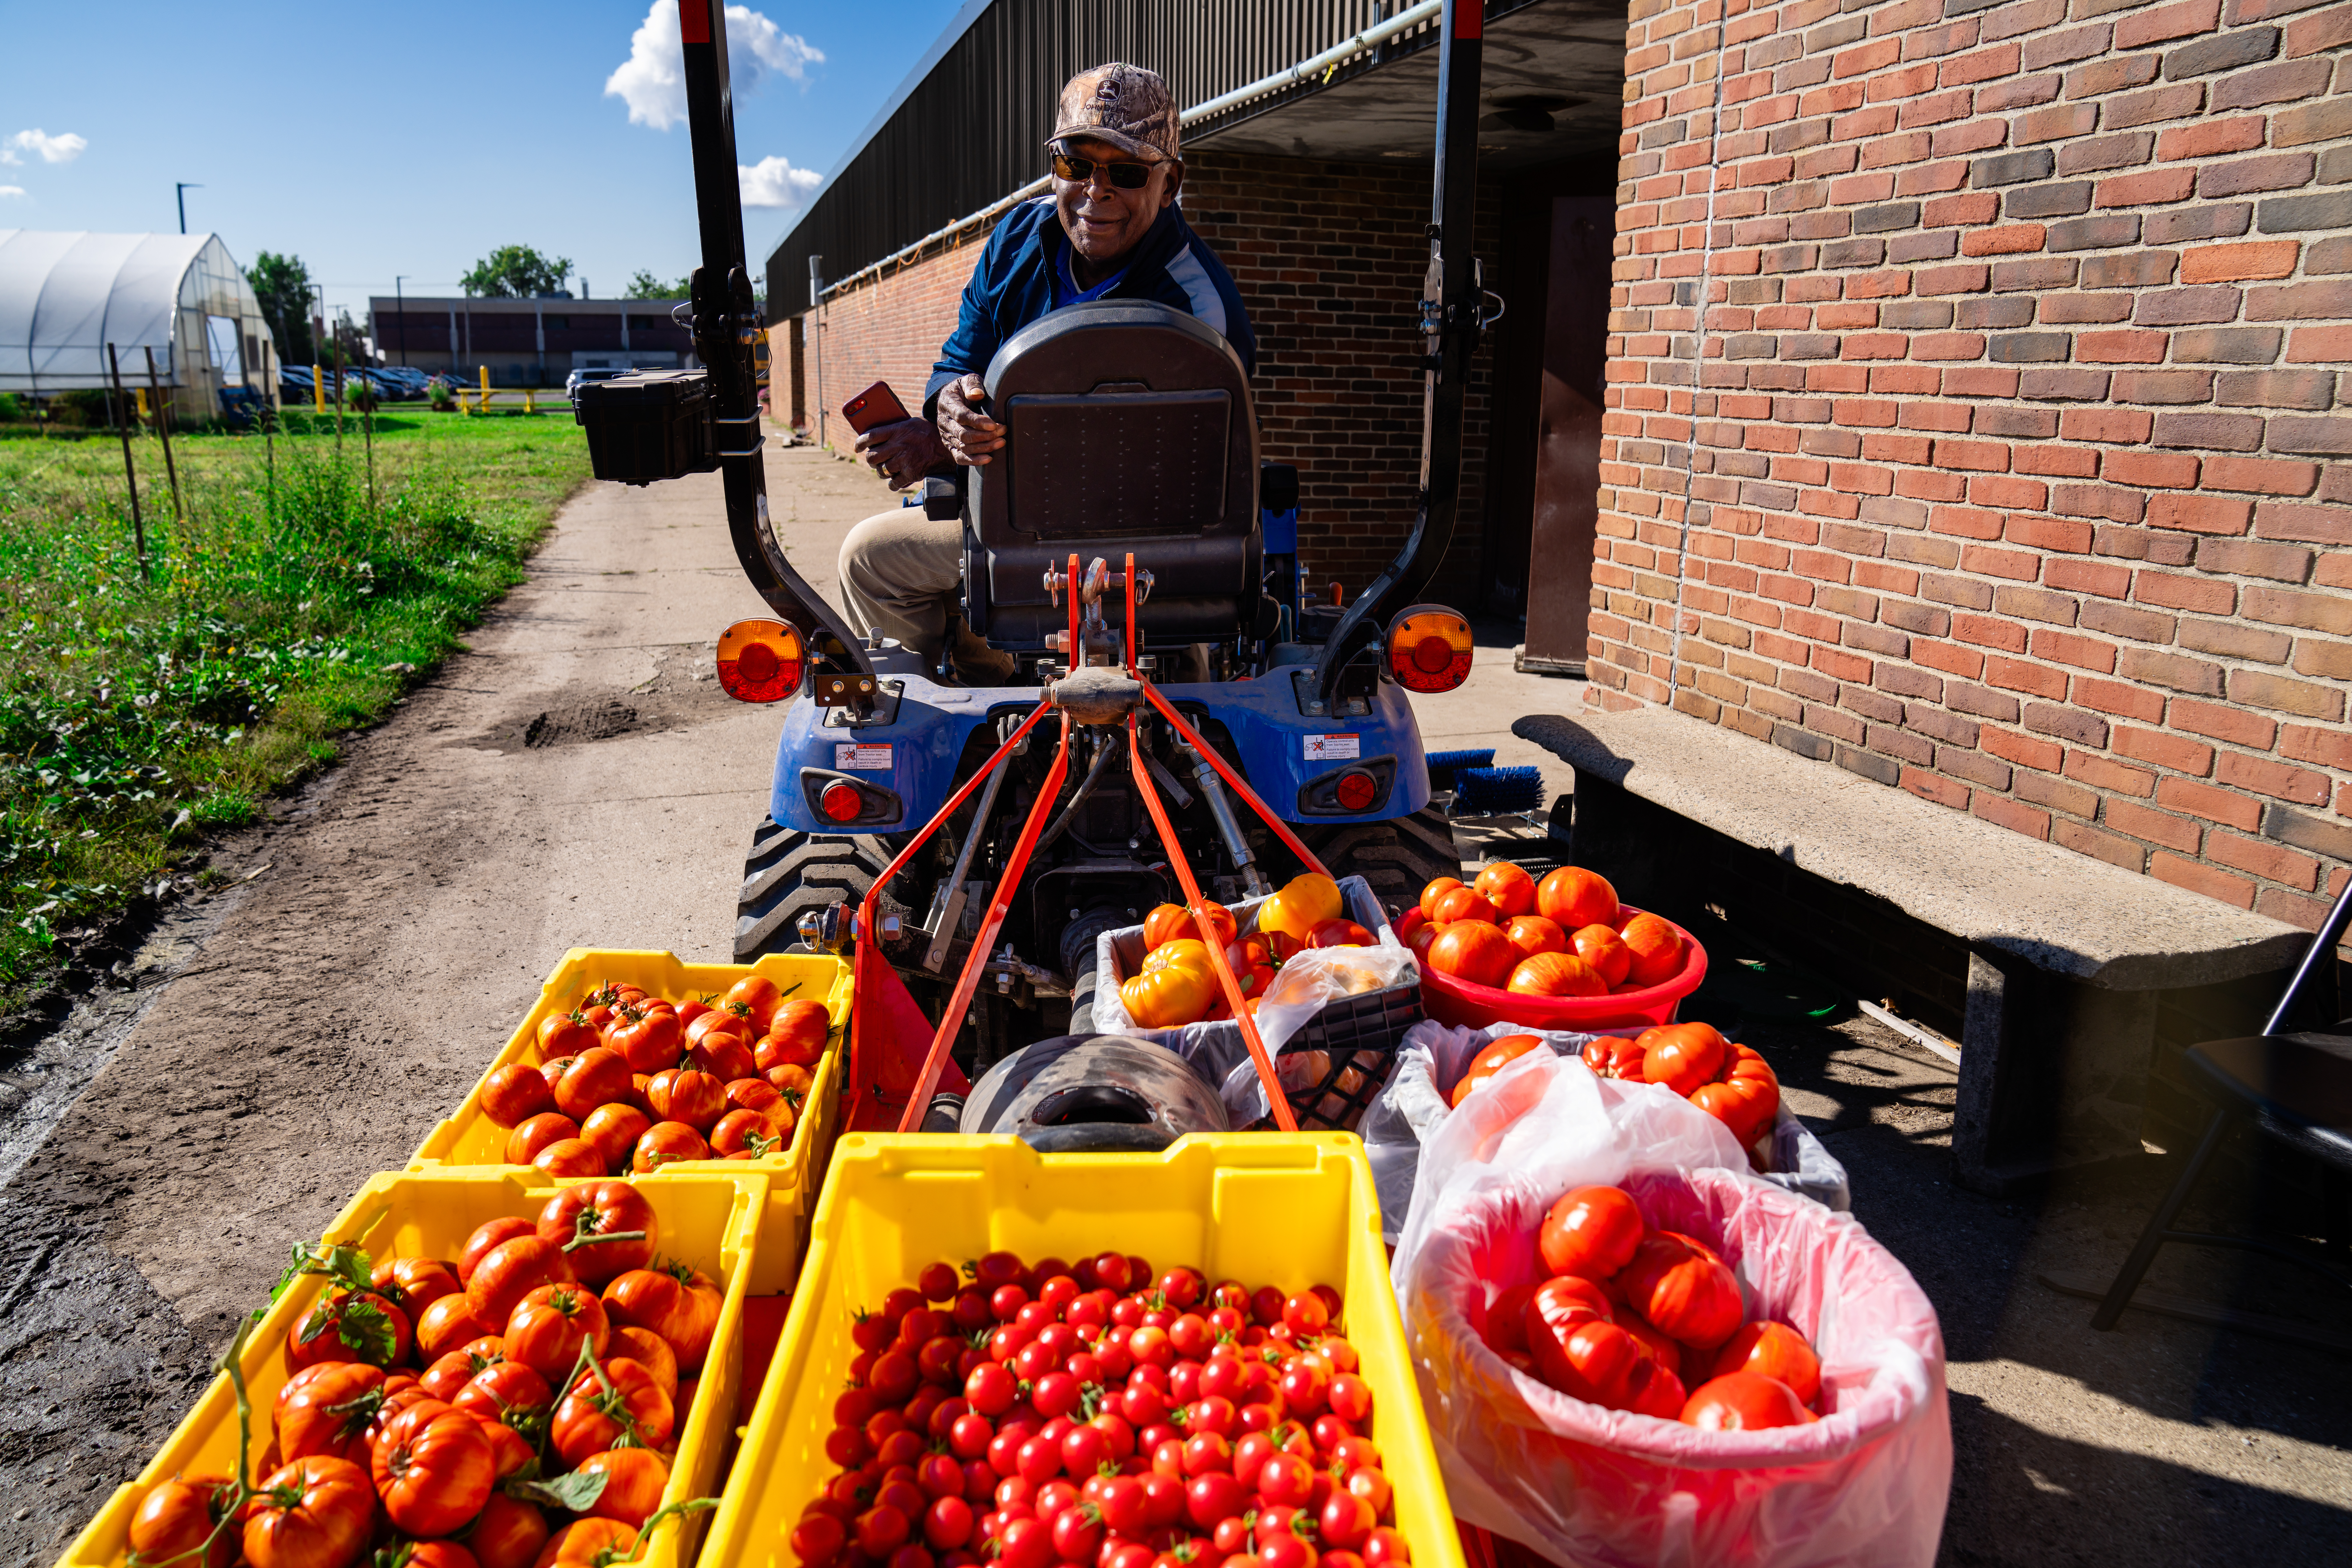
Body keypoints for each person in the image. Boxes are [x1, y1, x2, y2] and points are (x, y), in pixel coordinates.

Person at [838, 62, 1255, 682]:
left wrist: (960, 456)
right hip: (1015, 533)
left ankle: (1170, 689)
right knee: (869, 558)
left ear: (1170, 186)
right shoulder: (1013, 244)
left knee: (1179, 656)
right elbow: (959, 360)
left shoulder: (1199, 311)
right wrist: (945, 412)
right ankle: (952, 717)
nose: (1096, 190)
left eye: (1127, 172)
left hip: (1147, 554)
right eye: (1076, 165)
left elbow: (1195, 471)